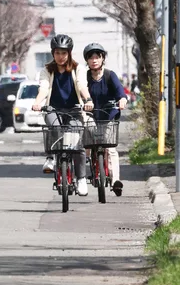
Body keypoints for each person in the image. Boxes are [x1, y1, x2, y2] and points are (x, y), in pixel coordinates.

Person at [32, 33, 91, 195]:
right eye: (57, 53)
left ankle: (80, 179)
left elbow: (81, 85)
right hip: (53, 109)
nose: (60, 56)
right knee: (54, 127)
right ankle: (51, 158)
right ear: (53, 53)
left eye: (64, 53)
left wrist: (88, 100)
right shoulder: (47, 70)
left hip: (74, 110)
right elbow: (43, 88)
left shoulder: (78, 68)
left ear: (69, 53)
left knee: (77, 144)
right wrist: (37, 103)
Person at [84, 43, 127, 197]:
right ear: (87, 61)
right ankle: (85, 169)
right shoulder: (84, 77)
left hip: (109, 115)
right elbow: (77, 93)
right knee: (86, 145)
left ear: (103, 59)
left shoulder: (110, 75)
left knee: (111, 148)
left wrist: (122, 100)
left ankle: (116, 180)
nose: (94, 60)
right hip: (90, 116)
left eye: (98, 57)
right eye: (91, 57)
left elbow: (120, 92)